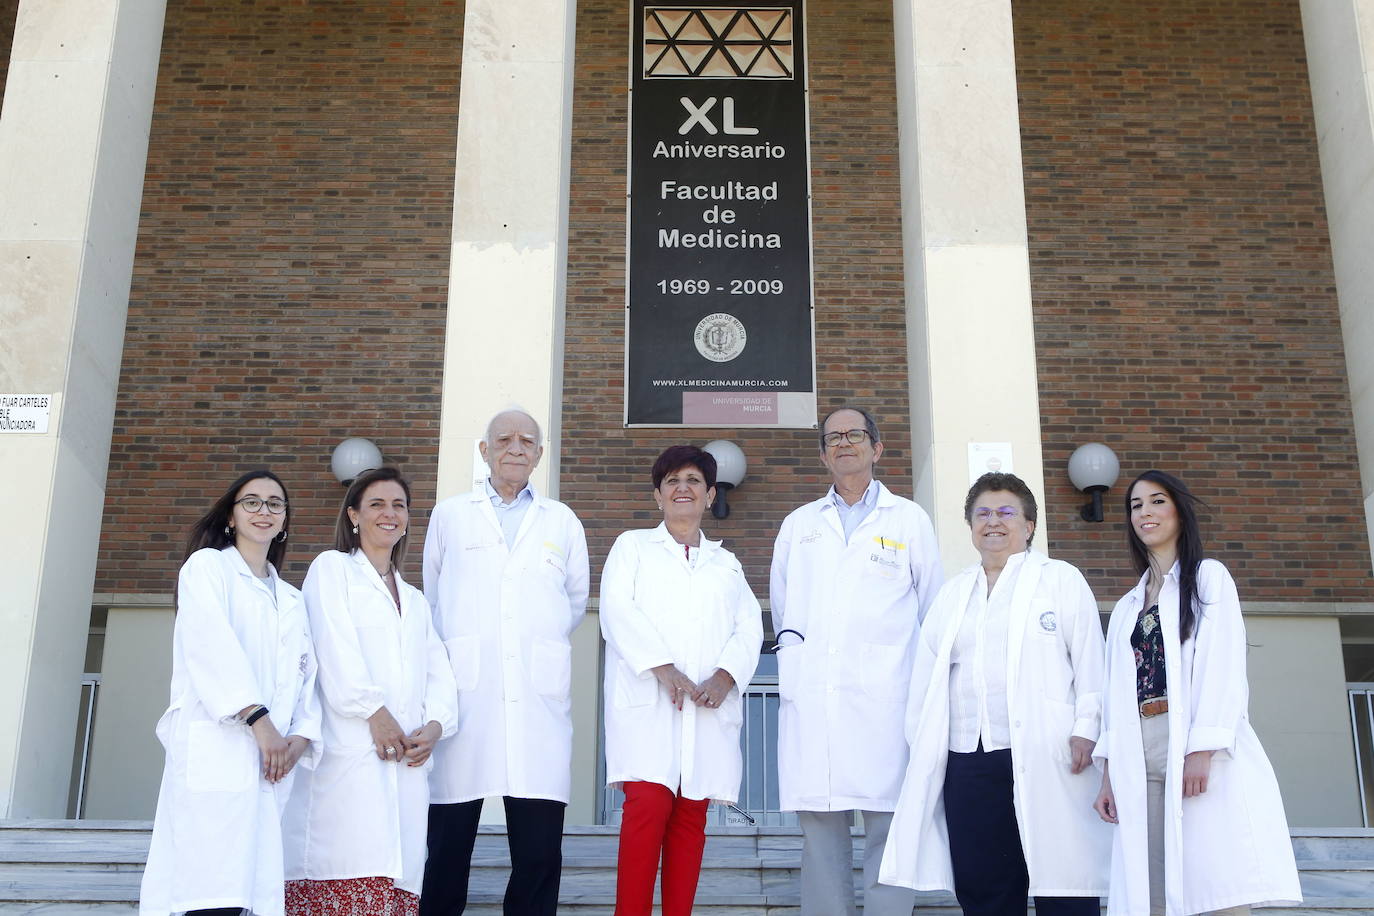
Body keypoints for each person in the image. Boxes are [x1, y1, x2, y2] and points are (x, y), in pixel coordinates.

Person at [879, 472, 1109, 914]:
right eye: (982, 513)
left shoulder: (1060, 580)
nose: (993, 522)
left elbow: (1090, 663)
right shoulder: (953, 593)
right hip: (970, 760)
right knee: (984, 887)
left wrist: (1087, 728)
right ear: (970, 527)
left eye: (1006, 512)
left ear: (1029, 526)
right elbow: (926, 680)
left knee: (1064, 882)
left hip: (1047, 751)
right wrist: (924, 746)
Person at [1092, 470, 1302, 916]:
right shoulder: (1130, 603)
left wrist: (1202, 746)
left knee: (1213, 877)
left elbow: (1223, 665)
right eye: (1136, 506)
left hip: (1188, 736)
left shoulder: (1207, 578)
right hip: (1137, 744)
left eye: (1156, 501)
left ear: (1179, 511)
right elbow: (1113, 693)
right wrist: (1109, 770)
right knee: (1149, 882)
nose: (1145, 513)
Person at [770, 406, 943, 916]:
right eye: (833, 438)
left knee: (888, 825)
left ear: (877, 448)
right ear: (824, 454)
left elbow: (931, 610)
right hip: (816, 700)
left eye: (855, 435)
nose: (844, 443)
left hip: (887, 701)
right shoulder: (799, 525)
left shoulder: (909, 519)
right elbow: (785, 611)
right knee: (821, 830)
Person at [420, 409, 590, 916]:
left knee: (539, 852)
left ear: (539, 454)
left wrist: (534, 645)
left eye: (527, 441)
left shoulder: (561, 520)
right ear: (484, 450)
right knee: (448, 847)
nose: (516, 448)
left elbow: (574, 601)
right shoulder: (451, 515)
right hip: (465, 696)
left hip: (538, 700)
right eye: (504, 439)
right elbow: (433, 596)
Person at [140, 470, 320, 916]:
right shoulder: (207, 568)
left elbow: (306, 676)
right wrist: (260, 723)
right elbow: (210, 648)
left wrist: (299, 737)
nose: (264, 511)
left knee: (251, 894)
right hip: (221, 747)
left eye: (275, 504)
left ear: (285, 521)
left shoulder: (293, 599)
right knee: (209, 891)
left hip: (273, 762)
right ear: (230, 517)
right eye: (252, 502)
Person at [284, 467, 457, 916]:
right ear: (354, 515)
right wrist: (375, 714)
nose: (390, 514)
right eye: (377, 504)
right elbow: (333, 649)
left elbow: (439, 674)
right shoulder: (332, 570)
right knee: (343, 866)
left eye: (399, 505)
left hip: (406, 765)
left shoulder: (415, 600)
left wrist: (435, 726)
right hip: (350, 754)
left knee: (394, 878)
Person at [600, 444, 763, 916]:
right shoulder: (632, 547)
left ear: (711, 495)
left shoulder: (727, 565)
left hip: (704, 715)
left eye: (693, 480)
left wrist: (726, 676)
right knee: (644, 820)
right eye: (672, 481)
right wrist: (663, 668)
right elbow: (616, 611)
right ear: (658, 496)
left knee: (690, 826)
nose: (683, 489)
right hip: (650, 713)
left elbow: (748, 628)